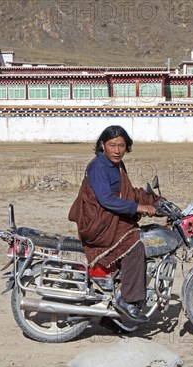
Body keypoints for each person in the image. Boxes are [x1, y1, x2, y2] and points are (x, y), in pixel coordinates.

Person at [68, 125, 157, 322]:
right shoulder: (99, 166)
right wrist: (139, 208)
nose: (117, 150)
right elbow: (106, 199)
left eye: (121, 146)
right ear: (103, 145)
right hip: (98, 222)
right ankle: (128, 300)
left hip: (109, 217)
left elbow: (127, 192)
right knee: (134, 247)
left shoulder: (116, 165)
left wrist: (152, 200)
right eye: (112, 145)